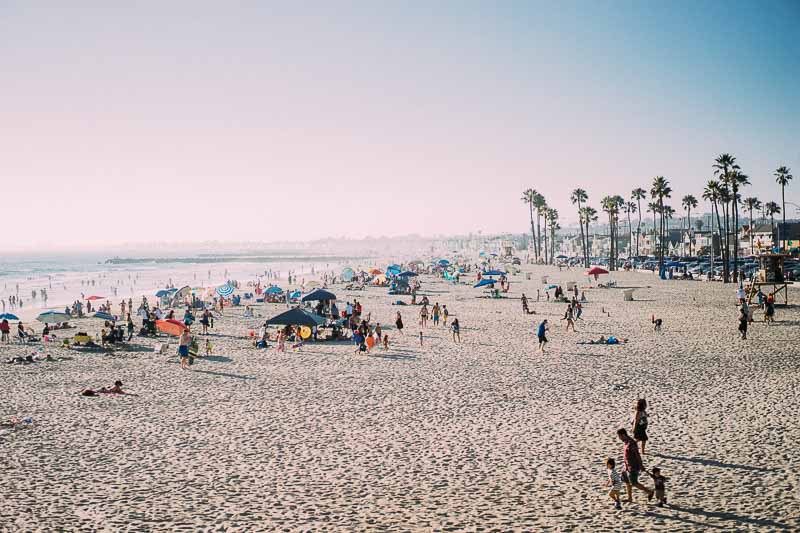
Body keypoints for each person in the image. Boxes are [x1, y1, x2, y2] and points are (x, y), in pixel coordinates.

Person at [617, 428, 654, 503]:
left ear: (623, 435)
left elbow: (637, 455)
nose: (619, 438)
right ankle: (630, 498)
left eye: (619, 436)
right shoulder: (626, 442)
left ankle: (649, 491)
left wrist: (641, 465)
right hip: (626, 465)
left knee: (634, 482)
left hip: (633, 465)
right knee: (627, 480)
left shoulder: (631, 443)